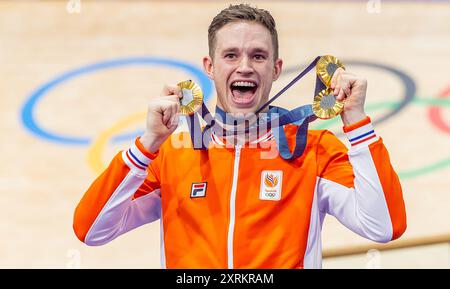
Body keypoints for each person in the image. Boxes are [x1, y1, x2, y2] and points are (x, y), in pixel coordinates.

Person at [73, 4, 406, 269]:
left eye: (258, 56)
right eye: (231, 55)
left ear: (276, 69)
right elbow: (91, 230)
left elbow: (383, 227)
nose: (244, 66)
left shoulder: (315, 150)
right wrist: (146, 146)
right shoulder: (170, 153)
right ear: (210, 66)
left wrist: (357, 123)